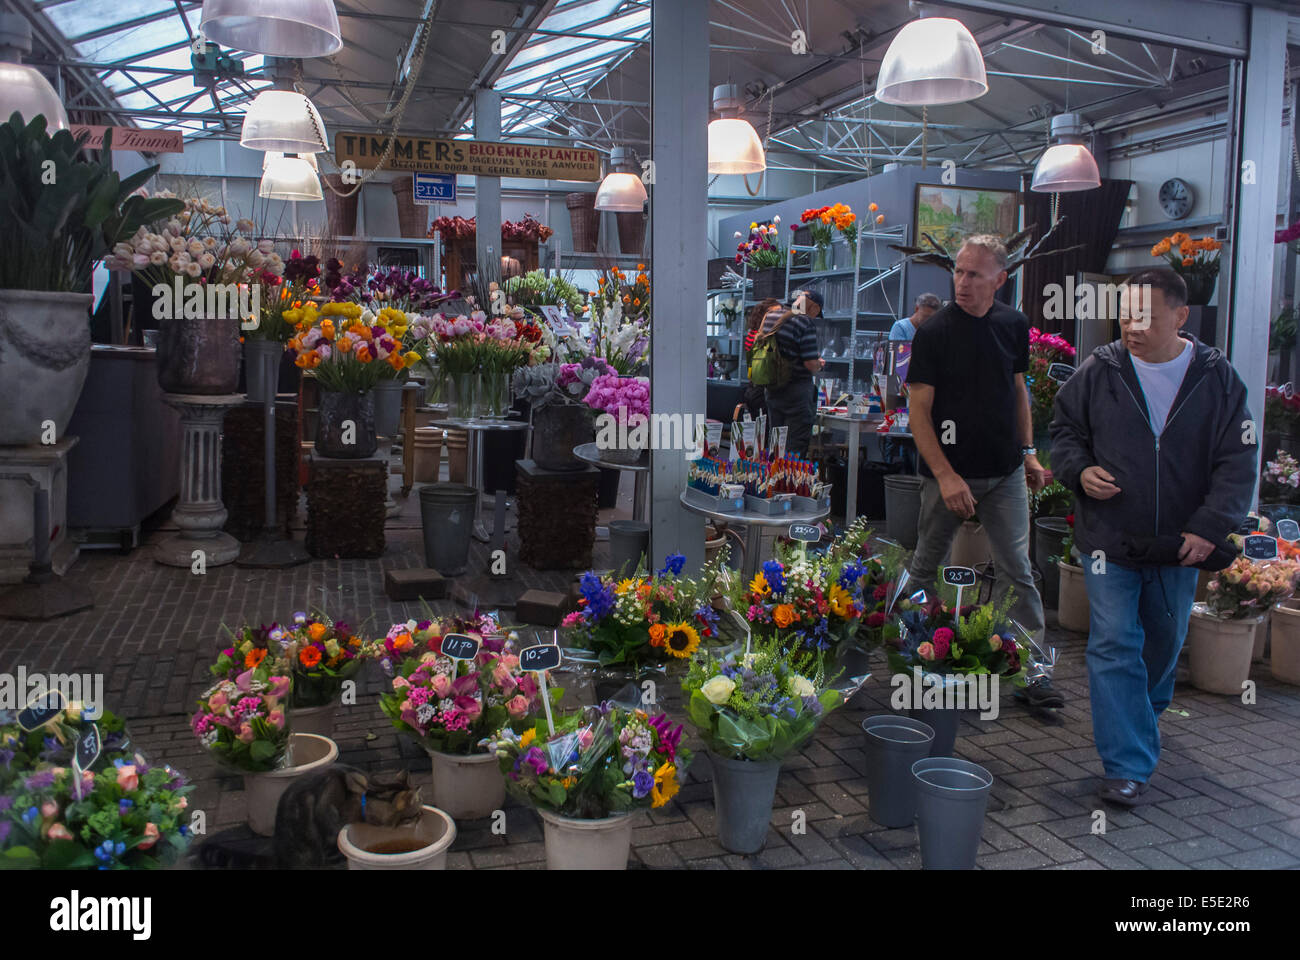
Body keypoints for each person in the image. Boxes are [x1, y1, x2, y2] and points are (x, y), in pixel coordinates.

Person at [1050, 268, 1254, 806]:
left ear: (1181, 317)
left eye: (1146, 317)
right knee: (1115, 642)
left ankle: (1138, 721)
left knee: (1162, 651)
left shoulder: (1218, 379)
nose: (1132, 327)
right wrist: (1079, 470)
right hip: (1108, 540)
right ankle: (1127, 765)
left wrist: (1210, 527)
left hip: (1181, 546)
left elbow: (1238, 461)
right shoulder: (1100, 369)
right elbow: (1065, 430)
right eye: (1125, 316)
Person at [905, 235, 1055, 703]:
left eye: (974, 274)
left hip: (1005, 470)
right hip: (948, 473)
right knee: (925, 566)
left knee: (1017, 569)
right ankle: (914, 652)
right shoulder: (933, 334)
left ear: (1000, 279)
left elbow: (1018, 392)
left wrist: (1028, 451)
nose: (962, 282)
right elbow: (918, 413)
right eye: (958, 271)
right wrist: (946, 476)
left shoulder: (1013, 324)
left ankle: (1030, 669)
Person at [759, 298, 823, 457]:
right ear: (813, 307)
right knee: (794, 447)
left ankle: (772, 479)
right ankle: (788, 481)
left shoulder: (770, 316)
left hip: (772, 387)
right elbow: (810, 363)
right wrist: (819, 364)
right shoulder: (804, 322)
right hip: (797, 391)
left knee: (776, 442)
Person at [734, 298, 783, 421]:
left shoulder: (757, 334)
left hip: (758, 389)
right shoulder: (760, 336)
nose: (779, 317)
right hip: (761, 391)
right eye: (774, 313)